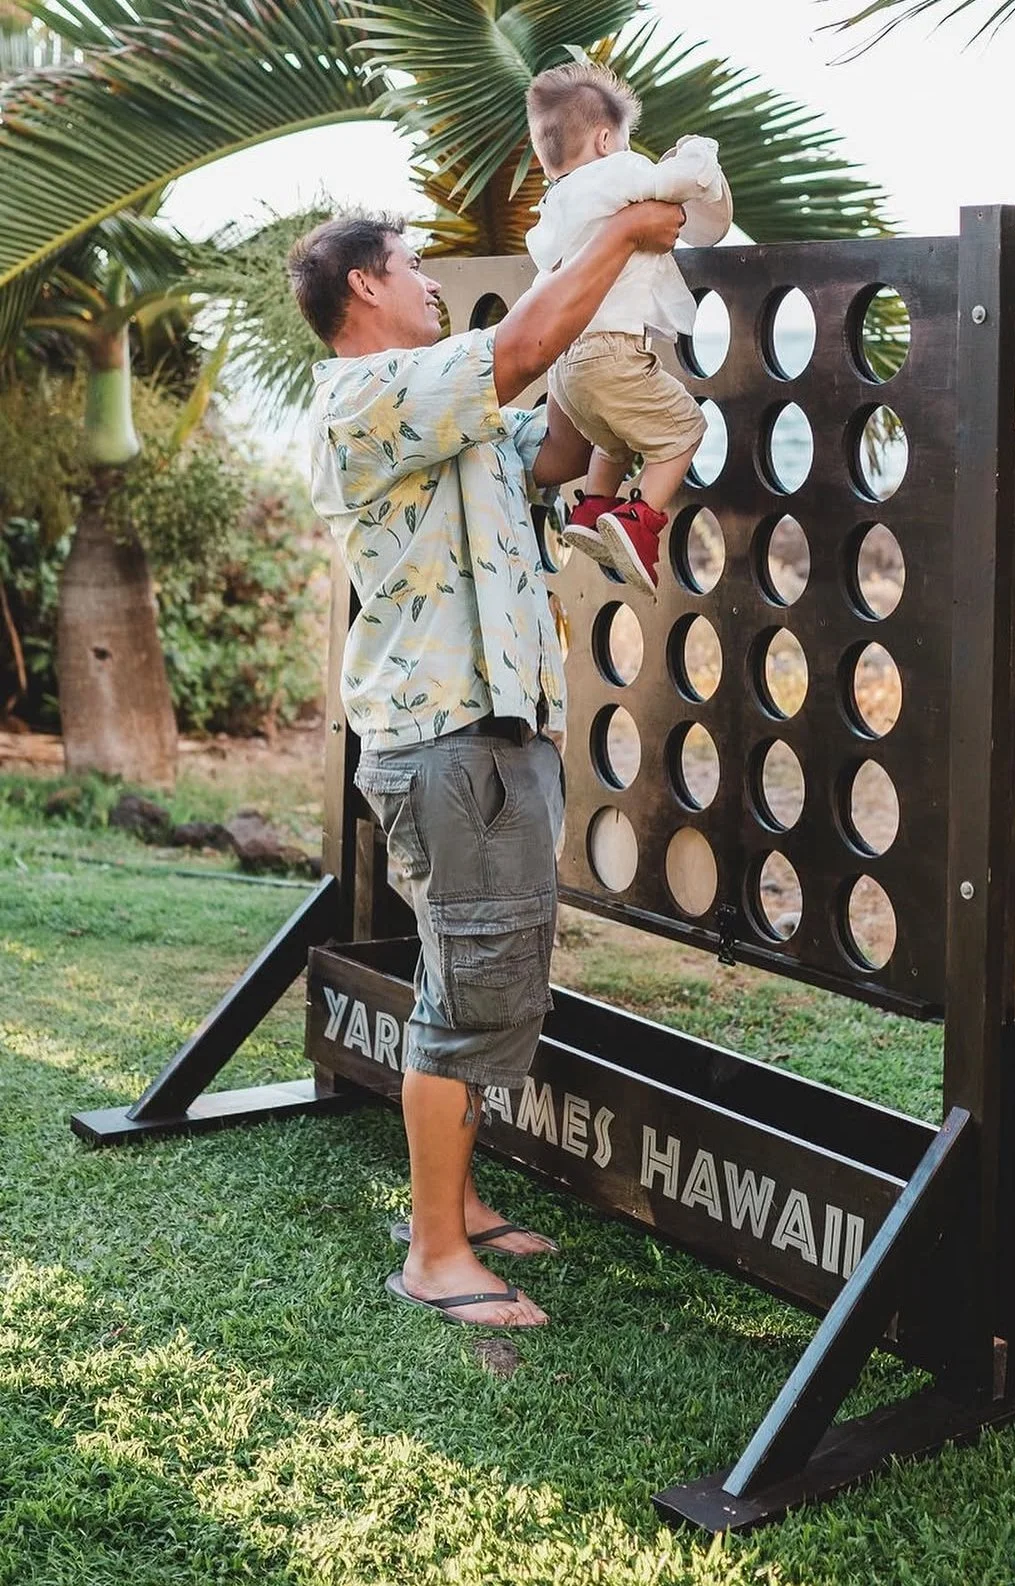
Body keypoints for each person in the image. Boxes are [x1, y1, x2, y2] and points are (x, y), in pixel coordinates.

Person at [288, 201, 684, 1329]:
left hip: (488, 742)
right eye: (410, 267)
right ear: (363, 286)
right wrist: (618, 230)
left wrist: (612, 339)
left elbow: (553, 443)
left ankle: (459, 1203)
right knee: (471, 999)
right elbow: (516, 352)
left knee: (472, 981)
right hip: (451, 744)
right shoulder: (364, 396)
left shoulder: (451, 419)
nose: (427, 283)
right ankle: (436, 1254)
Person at [524, 61, 733, 599]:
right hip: (611, 353)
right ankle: (640, 522)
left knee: (612, 439)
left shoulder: (554, 205)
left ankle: (595, 509)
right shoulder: (616, 172)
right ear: (603, 139)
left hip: (567, 371)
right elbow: (675, 183)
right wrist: (698, 156)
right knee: (685, 428)